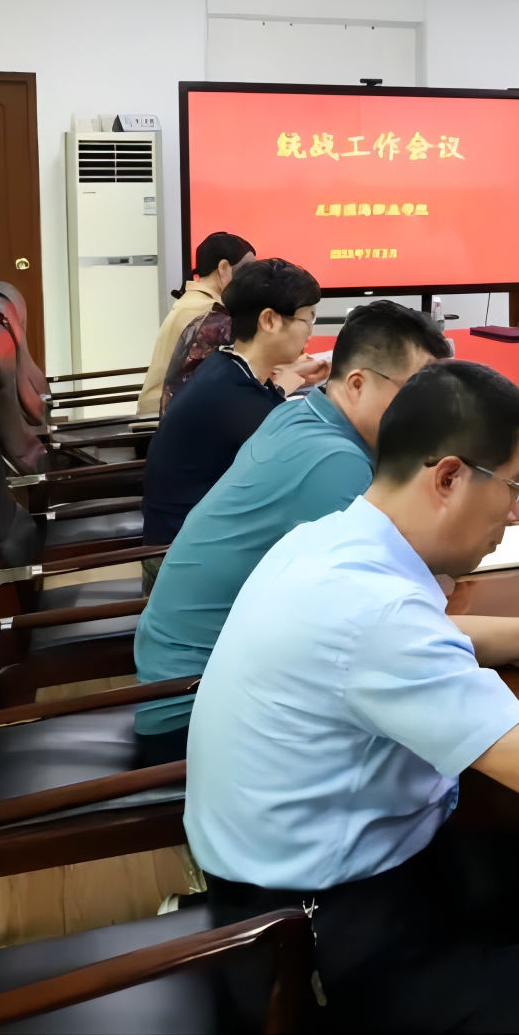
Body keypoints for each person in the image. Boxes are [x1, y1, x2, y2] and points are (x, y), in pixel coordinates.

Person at [189, 361, 519, 1032]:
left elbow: (414, 637)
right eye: (515, 485)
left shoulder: (331, 542)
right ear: (448, 478)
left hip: (284, 884)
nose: (518, 510)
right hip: (315, 938)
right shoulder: (376, 611)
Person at [133, 301, 451, 760]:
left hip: (181, 679)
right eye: (418, 398)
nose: (431, 419)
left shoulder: (301, 414)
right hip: (196, 710)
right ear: (357, 384)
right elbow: (392, 623)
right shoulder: (335, 464)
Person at [139, 258, 322, 547]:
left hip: (183, 531)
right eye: (308, 318)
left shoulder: (223, 364)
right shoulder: (237, 399)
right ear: (269, 320)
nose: (310, 329)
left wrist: (292, 375)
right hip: (186, 550)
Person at [139, 231, 252, 414]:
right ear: (224, 268)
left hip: (168, 406)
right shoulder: (209, 313)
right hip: (168, 412)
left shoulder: (194, 302)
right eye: (247, 270)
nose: (251, 279)